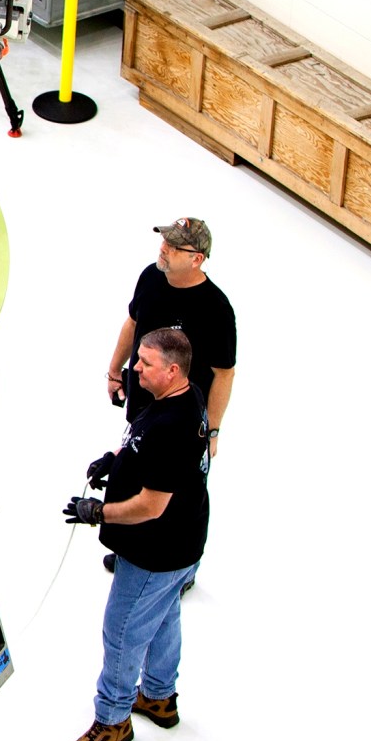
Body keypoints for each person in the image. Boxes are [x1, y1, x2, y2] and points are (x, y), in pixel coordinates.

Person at [61, 327, 210, 741]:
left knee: (123, 630)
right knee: (164, 616)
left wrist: (98, 512)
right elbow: (145, 445)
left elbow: (150, 506)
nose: (135, 367)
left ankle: (112, 719)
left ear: (172, 370)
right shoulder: (181, 397)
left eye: (144, 362)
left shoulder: (173, 426)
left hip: (156, 553)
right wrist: (118, 460)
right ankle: (159, 697)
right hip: (185, 544)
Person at [103, 217, 235, 579]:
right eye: (165, 241)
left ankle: (184, 569)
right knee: (137, 473)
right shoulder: (150, 276)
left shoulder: (216, 309)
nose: (164, 248)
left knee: (183, 499)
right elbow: (133, 323)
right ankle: (132, 551)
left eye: (175, 246)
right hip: (145, 406)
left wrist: (211, 431)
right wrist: (116, 371)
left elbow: (224, 373)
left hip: (184, 421)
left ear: (198, 259)